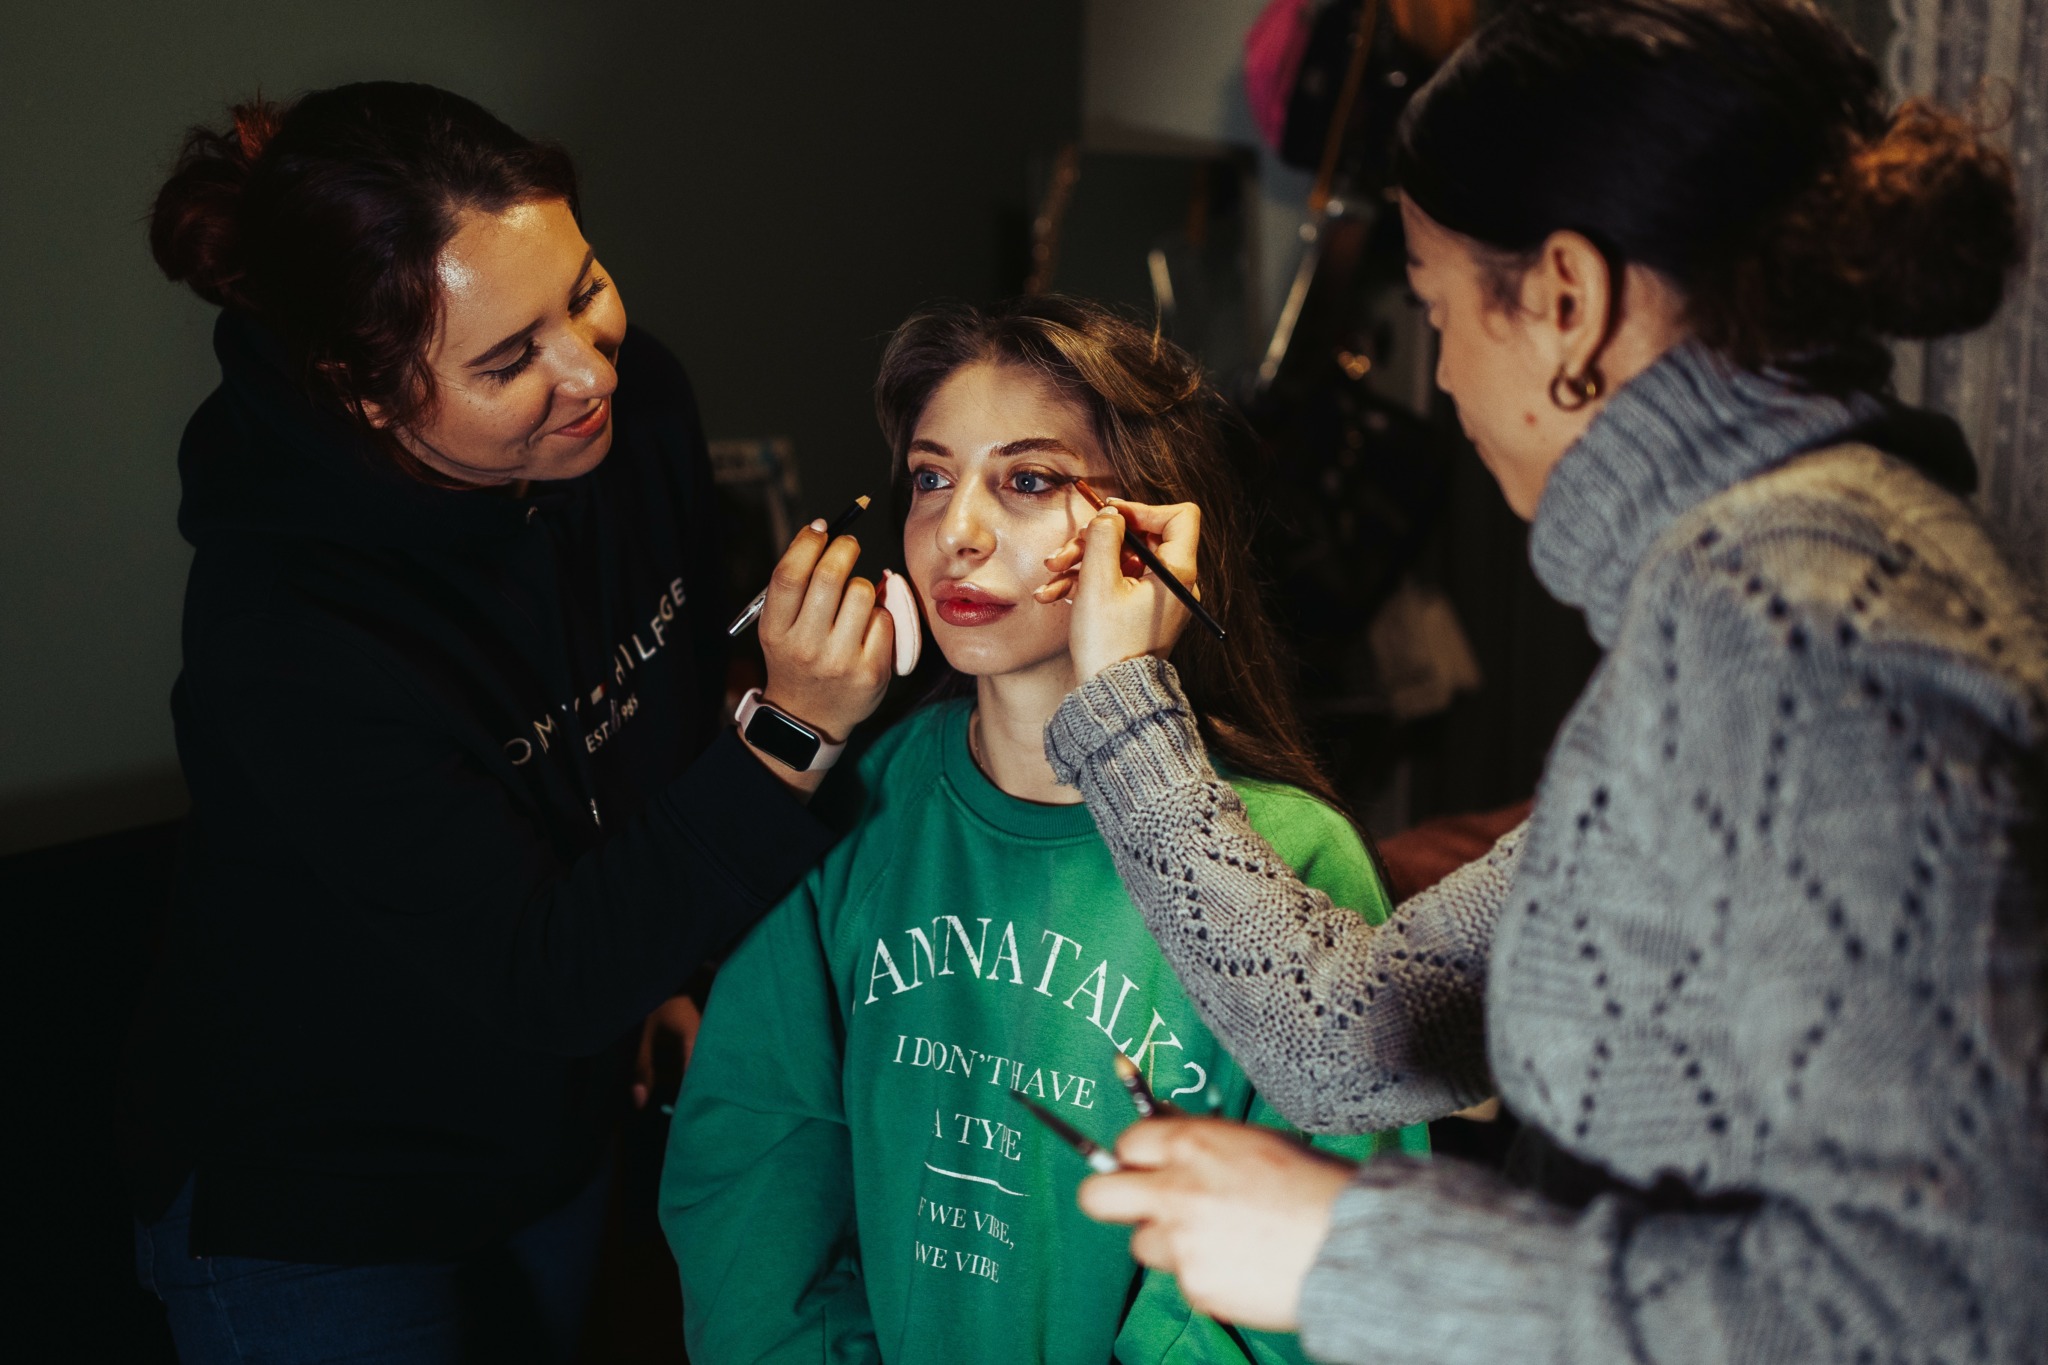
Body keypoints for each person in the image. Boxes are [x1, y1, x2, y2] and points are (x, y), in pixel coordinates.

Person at [1036, 1, 2047, 1362]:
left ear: (1564, 302)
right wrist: (1123, 699)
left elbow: (1951, 1305)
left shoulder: (1788, 619)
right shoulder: (1744, 597)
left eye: (1435, 305)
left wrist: (1350, 1253)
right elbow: (1351, 1035)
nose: (1443, 374)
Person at [121, 82, 895, 1364]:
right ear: (363, 392)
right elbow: (543, 971)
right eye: (505, 361)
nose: (589, 370)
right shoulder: (286, 628)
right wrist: (789, 734)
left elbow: (653, 724)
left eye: (583, 291)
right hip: (322, 1189)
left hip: (554, 1121)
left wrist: (662, 968)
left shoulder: (633, 409)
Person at [657, 296, 1428, 1365]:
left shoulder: (1294, 856)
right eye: (932, 478)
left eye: (1026, 481)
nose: (957, 532)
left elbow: (1313, 1264)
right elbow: (753, 1176)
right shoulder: (847, 817)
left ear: (1150, 528)